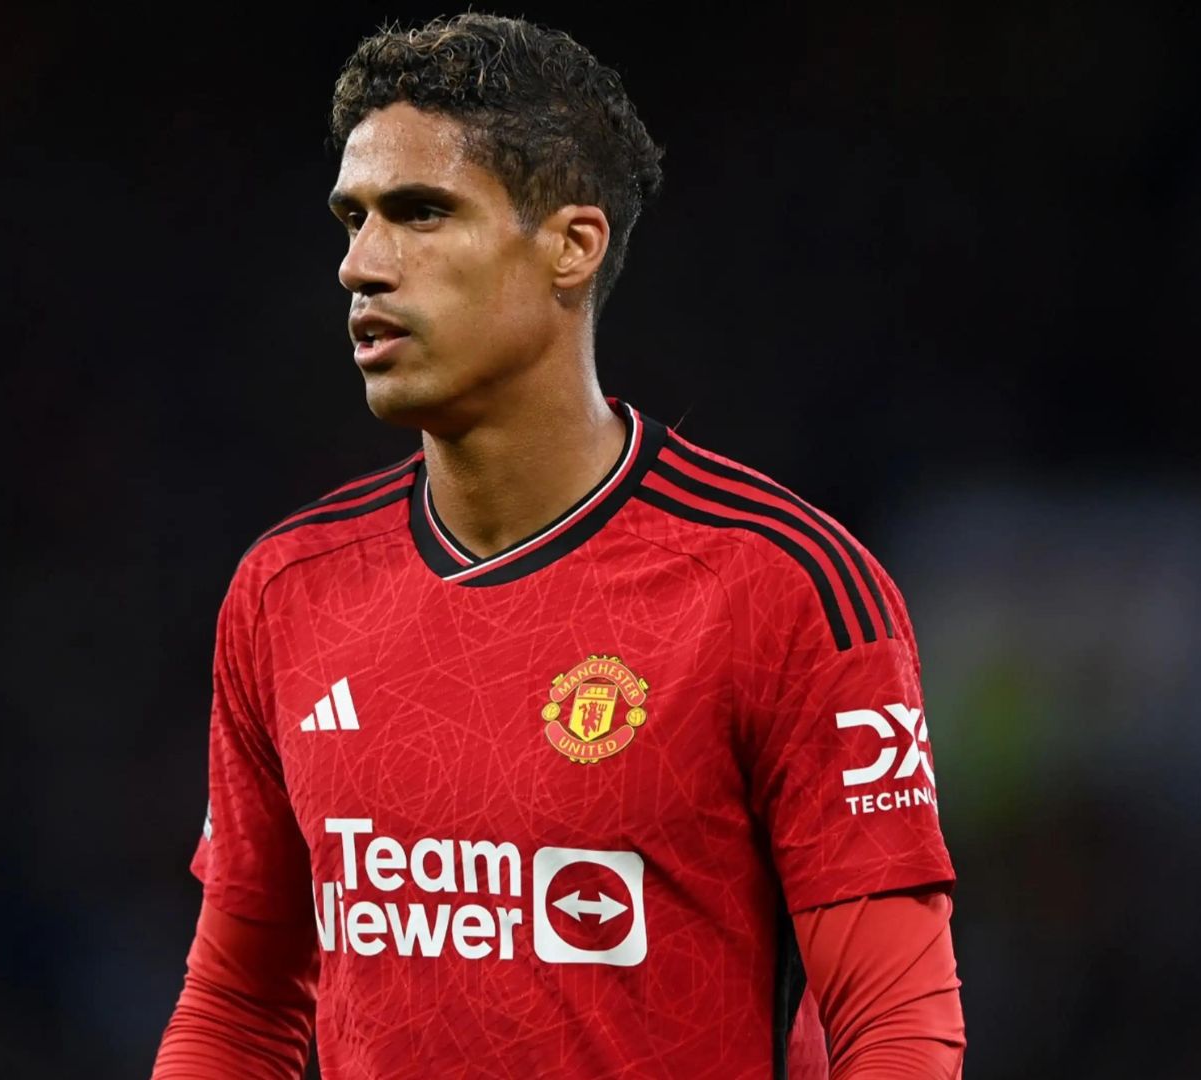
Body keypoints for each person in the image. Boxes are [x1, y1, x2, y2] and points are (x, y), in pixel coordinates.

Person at [153, 12, 964, 1078]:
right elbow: (238, 1007)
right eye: (352, 219)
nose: (360, 265)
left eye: (422, 212)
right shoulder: (288, 590)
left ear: (572, 246)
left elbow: (898, 1026)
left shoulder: (781, 589)